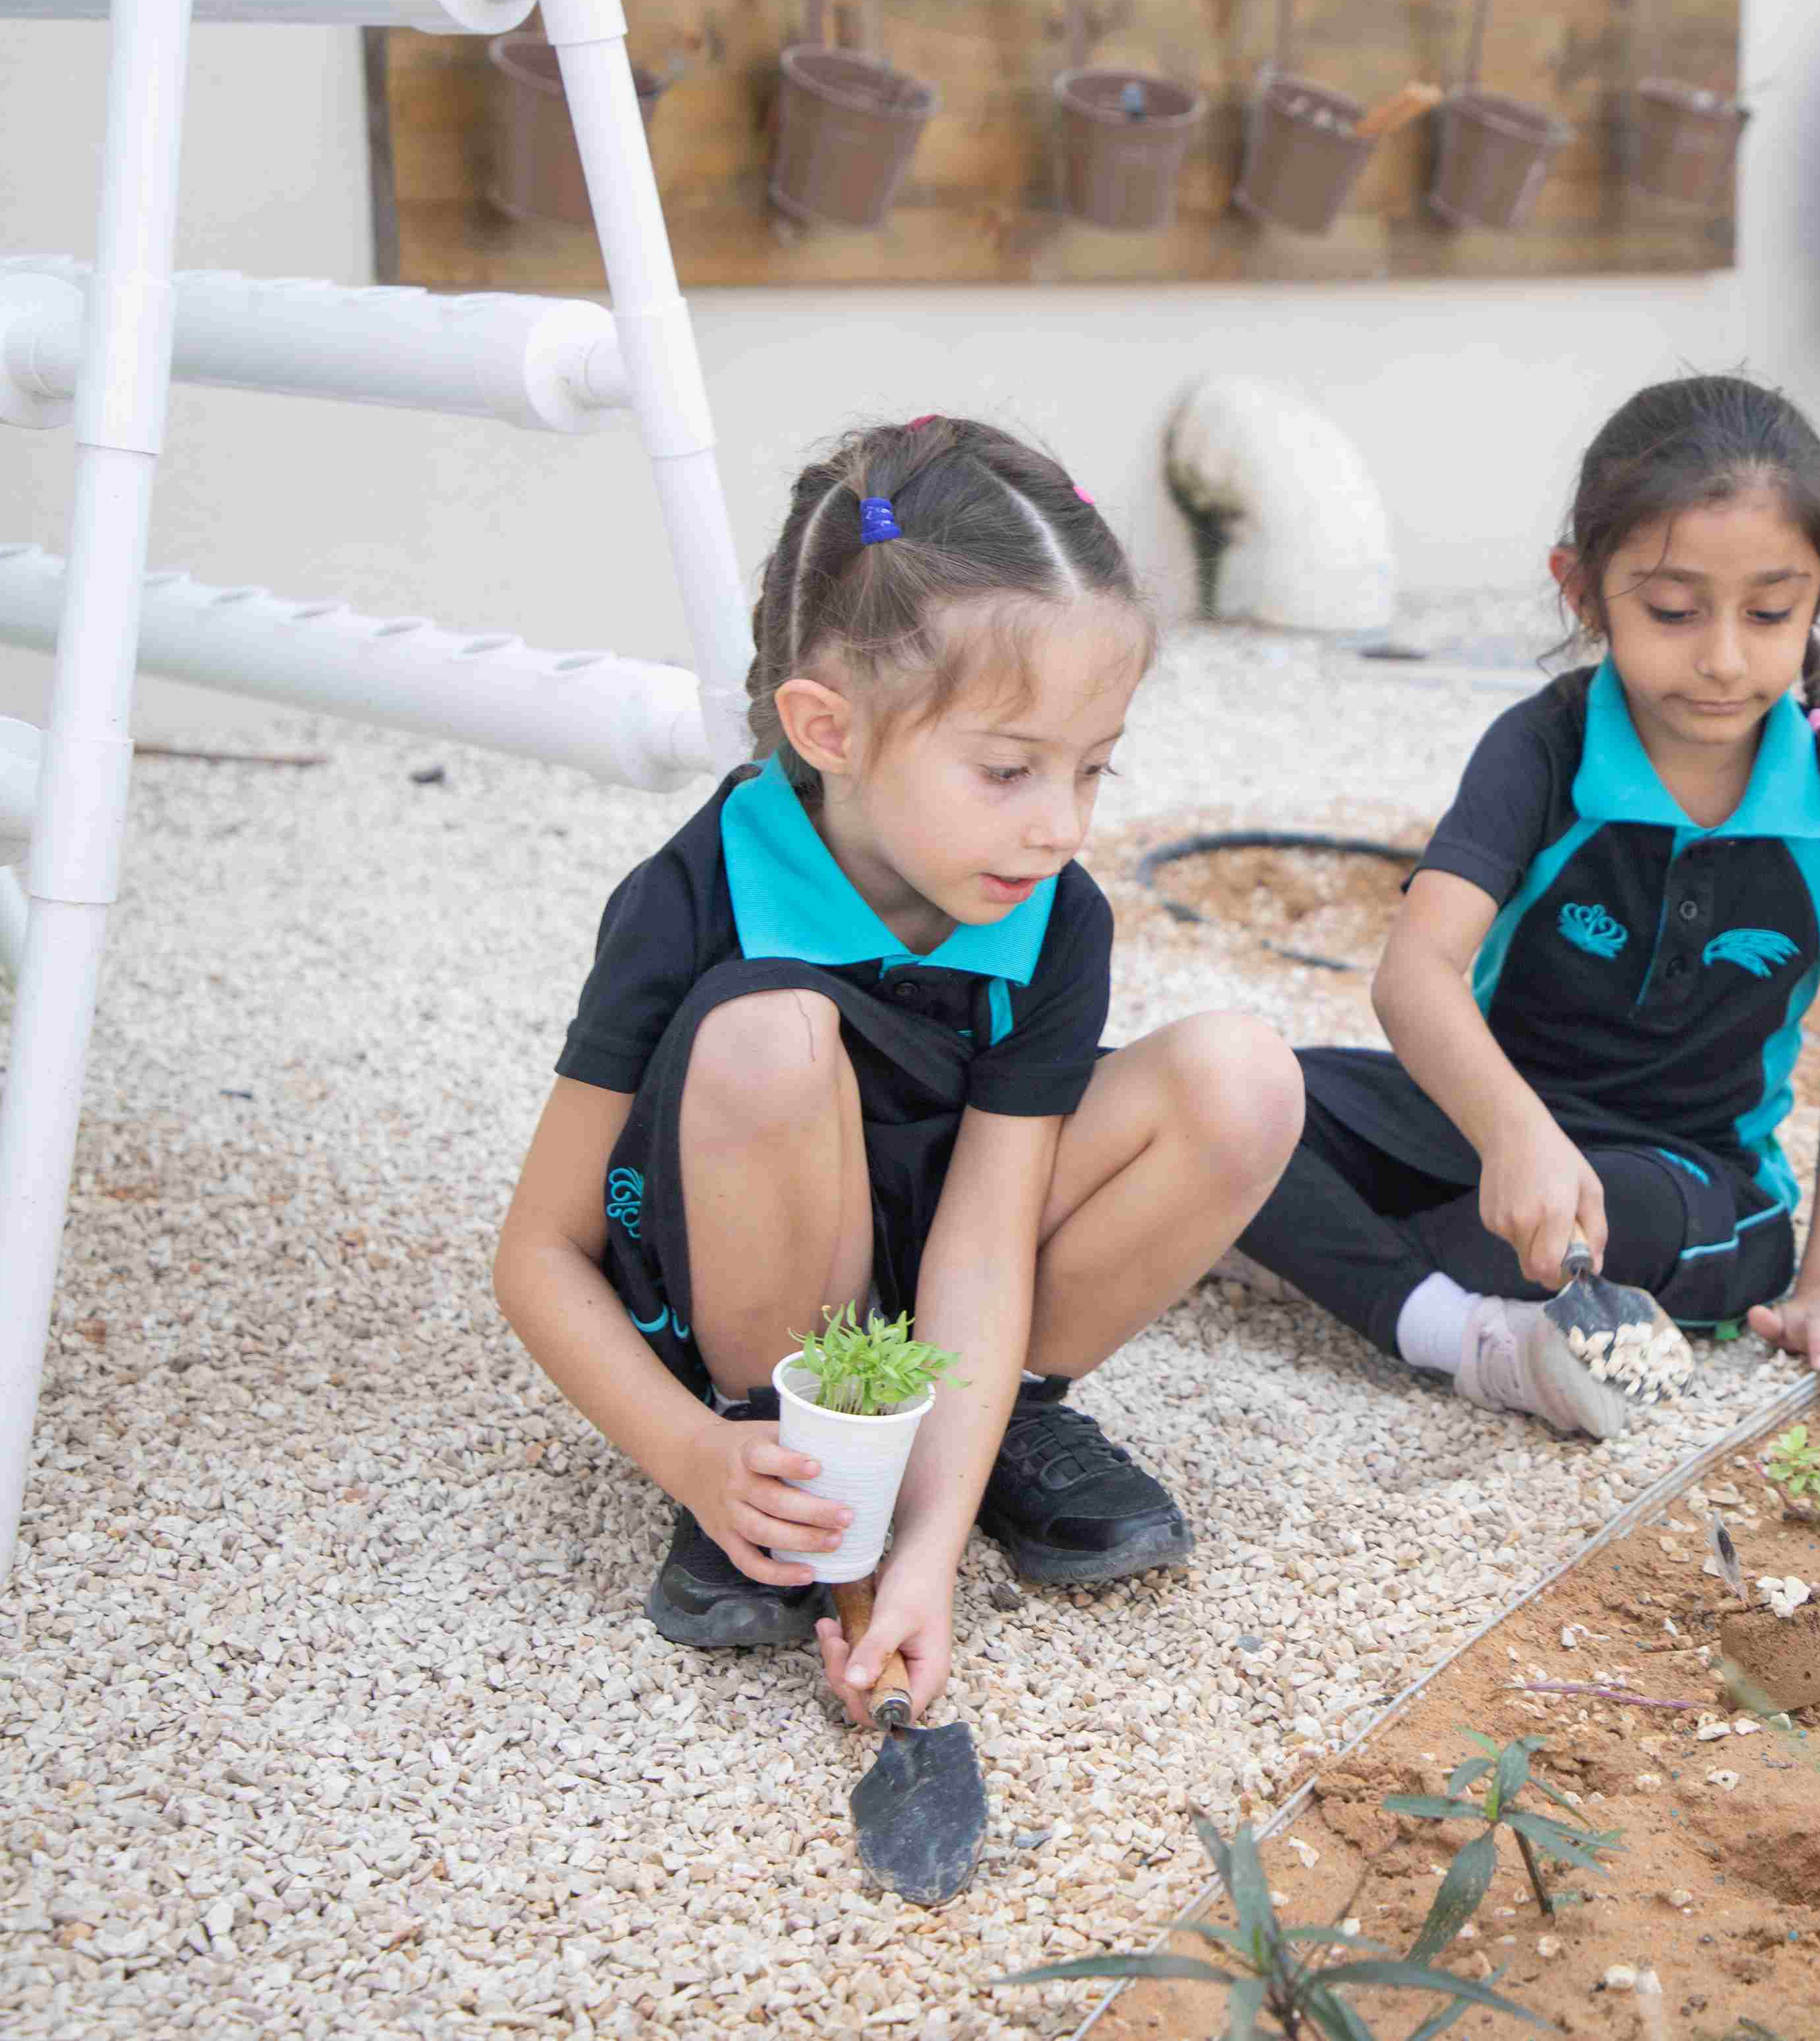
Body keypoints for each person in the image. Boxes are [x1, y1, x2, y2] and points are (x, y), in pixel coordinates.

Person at [493, 416, 1302, 1725]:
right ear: (831, 728)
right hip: (749, 1292)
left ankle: (996, 1433)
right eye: (1007, 769)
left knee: (1245, 1077)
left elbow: (985, 1239)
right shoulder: (693, 896)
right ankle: (789, 1461)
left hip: (939, 1277)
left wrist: (927, 1556)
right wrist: (693, 1452)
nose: (1062, 824)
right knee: (770, 1035)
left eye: (1093, 769)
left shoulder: (1053, 913)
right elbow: (538, 1250)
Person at [1230, 378, 1820, 1434]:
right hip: (1486, 1119)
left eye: (1769, 613)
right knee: (1206, 1102)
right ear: (1582, 591)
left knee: (1549, 1236)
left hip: (1686, 1176)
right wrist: (1516, 1136)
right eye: (1671, 610)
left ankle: (1383, 1292)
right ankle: (1376, 1270)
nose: (1722, 656)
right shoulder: (1544, 747)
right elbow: (1416, 974)